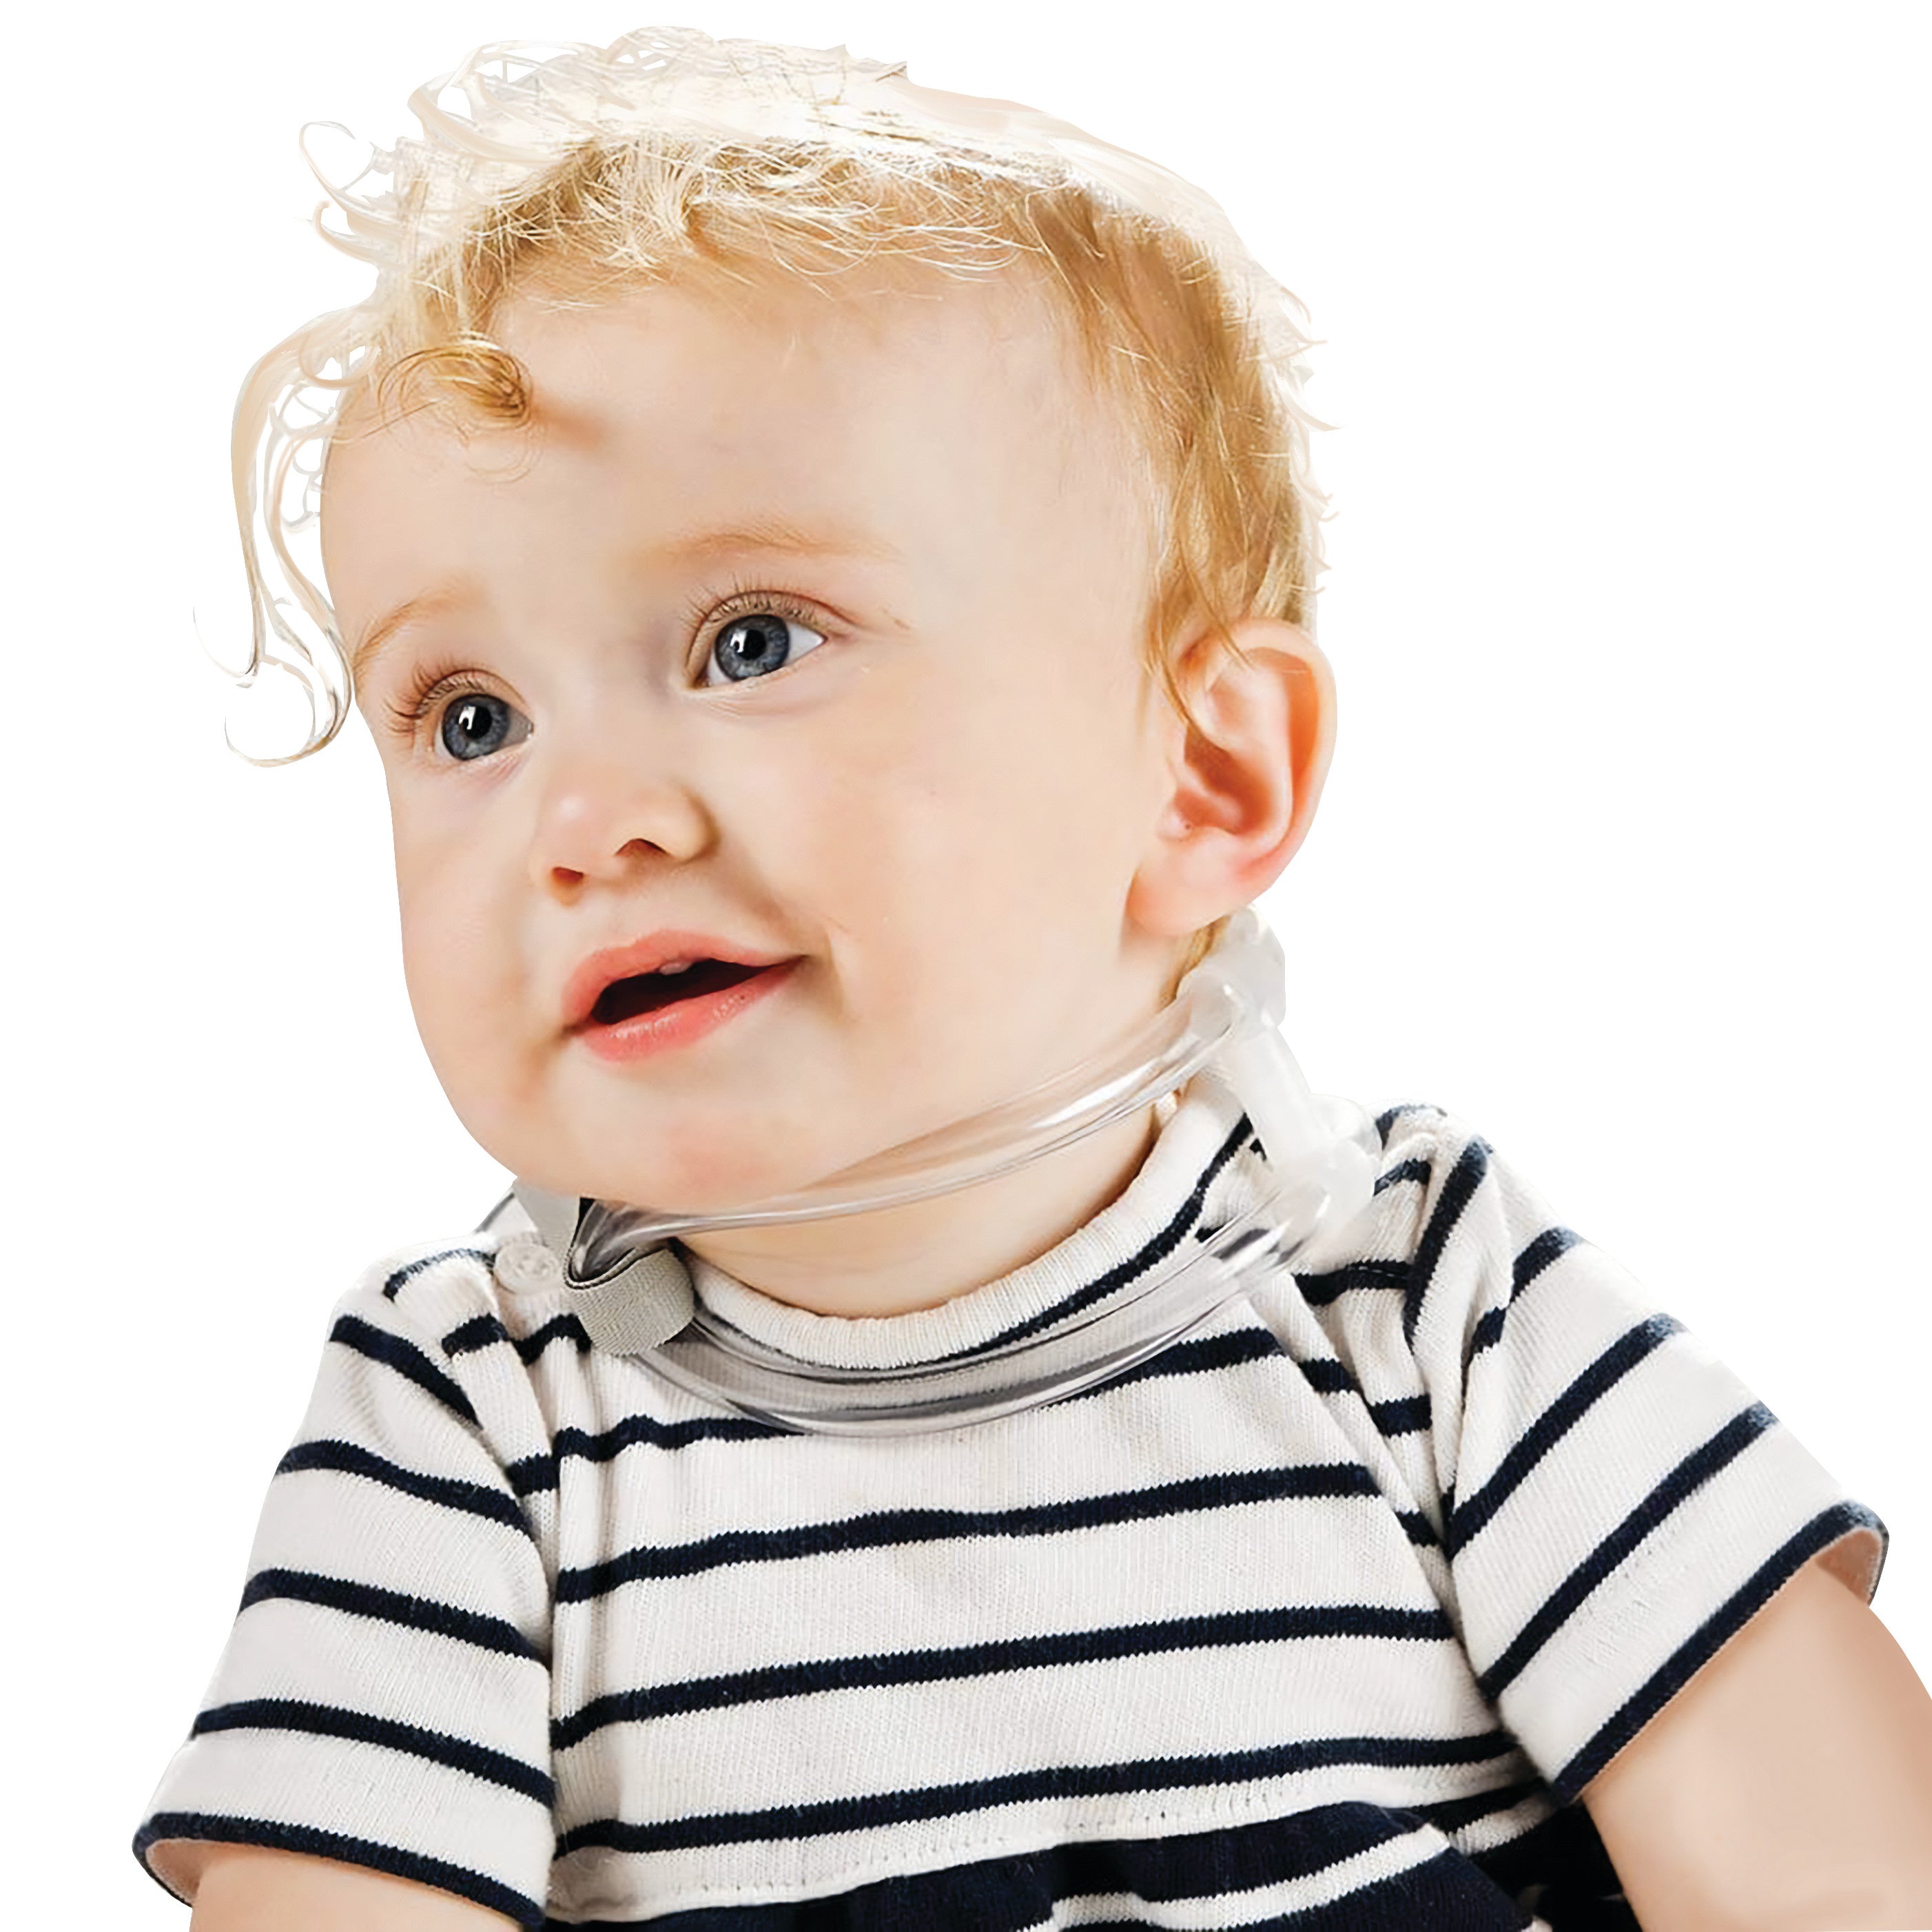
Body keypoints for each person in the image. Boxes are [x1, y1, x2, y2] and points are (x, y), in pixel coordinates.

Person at [135, 28, 1932, 1931]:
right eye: (469, 714)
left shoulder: (1427, 1305)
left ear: (1202, 779)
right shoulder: (469, 1425)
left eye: (752, 640)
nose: (585, 818)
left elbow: (1840, 1876)